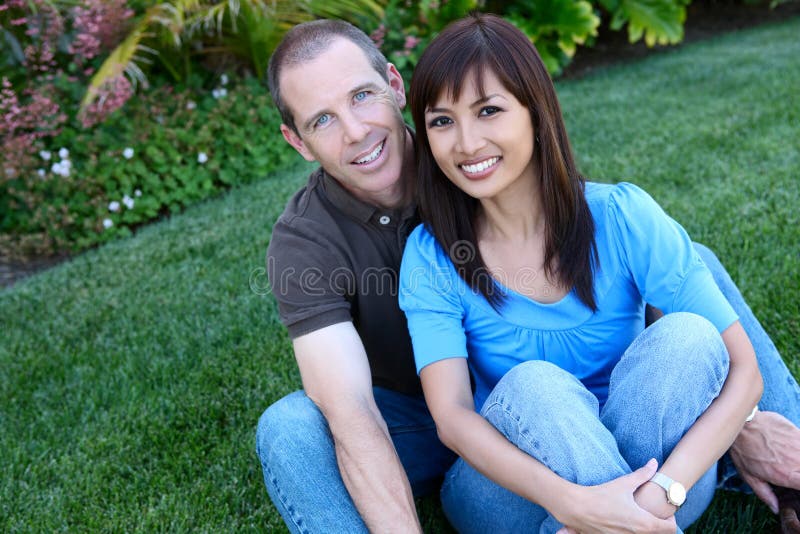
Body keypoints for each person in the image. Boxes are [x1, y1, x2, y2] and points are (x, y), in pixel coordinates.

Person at [255, 17, 800, 533]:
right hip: (443, 421)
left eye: (361, 96)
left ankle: (788, 464)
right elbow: (356, 415)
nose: (354, 131)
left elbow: (639, 286)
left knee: (689, 272)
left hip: (587, 401)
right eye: (321, 120)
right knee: (292, 426)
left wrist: (740, 416)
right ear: (298, 141)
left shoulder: (484, 160)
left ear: (393, 86)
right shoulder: (310, 243)